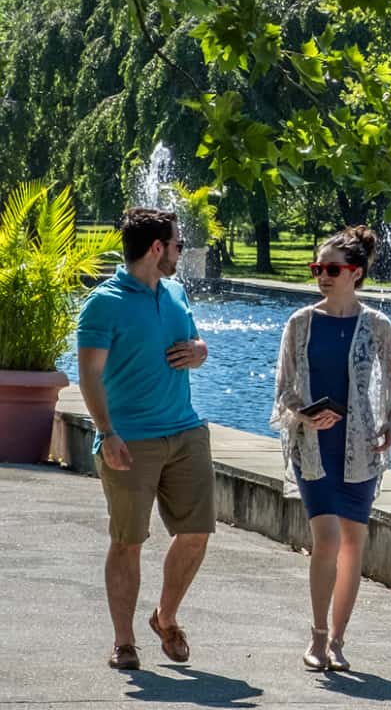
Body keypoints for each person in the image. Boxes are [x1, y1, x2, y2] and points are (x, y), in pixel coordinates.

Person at [271, 225, 391, 673]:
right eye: (317, 268)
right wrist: (304, 416)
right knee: (327, 538)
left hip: (360, 450)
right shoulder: (300, 324)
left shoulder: (378, 326)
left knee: (353, 542)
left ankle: (338, 640)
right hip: (313, 446)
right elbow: (283, 394)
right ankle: (315, 637)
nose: (322, 276)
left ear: (355, 273)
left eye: (331, 268)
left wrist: (390, 426)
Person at [77, 207, 214, 672]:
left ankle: (165, 617)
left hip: (186, 430)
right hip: (130, 440)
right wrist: (106, 432)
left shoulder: (175, 292)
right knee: (127, 542)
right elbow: (90, 376)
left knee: (196, 534)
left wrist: (199, 351)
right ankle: (124, 641)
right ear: (157, 248)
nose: (180, 251)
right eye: (177, 244)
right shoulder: (104, 302)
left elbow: (195, 344)